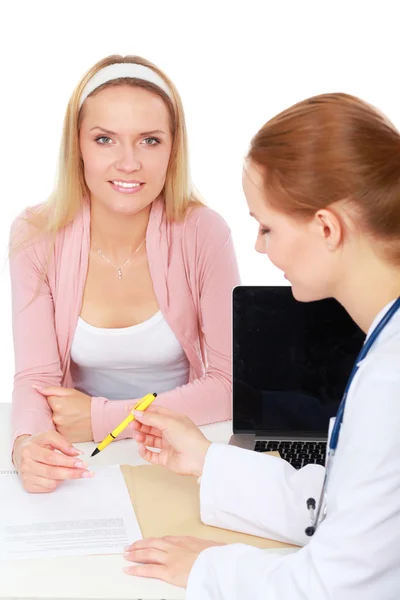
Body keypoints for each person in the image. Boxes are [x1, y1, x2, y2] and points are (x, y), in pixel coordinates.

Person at [123, 93, 400, 599]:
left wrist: (211, 569)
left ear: (326, 227)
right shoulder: (386, 347)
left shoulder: (391, 379)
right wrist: (209, 460)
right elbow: (350, 506)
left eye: (266, 226)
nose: (257, 245)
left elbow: (333, 587)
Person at [9, 55, 240, 493]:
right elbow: (35, 379)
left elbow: (229, 385)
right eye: (105, 140)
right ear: (77, 145)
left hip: (179, 445)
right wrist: (26, 446)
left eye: (150, 140)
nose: (129, 163)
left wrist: (101, 417)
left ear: (174, 149)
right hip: (85, 456)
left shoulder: (204, 233)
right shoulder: (35, 234)